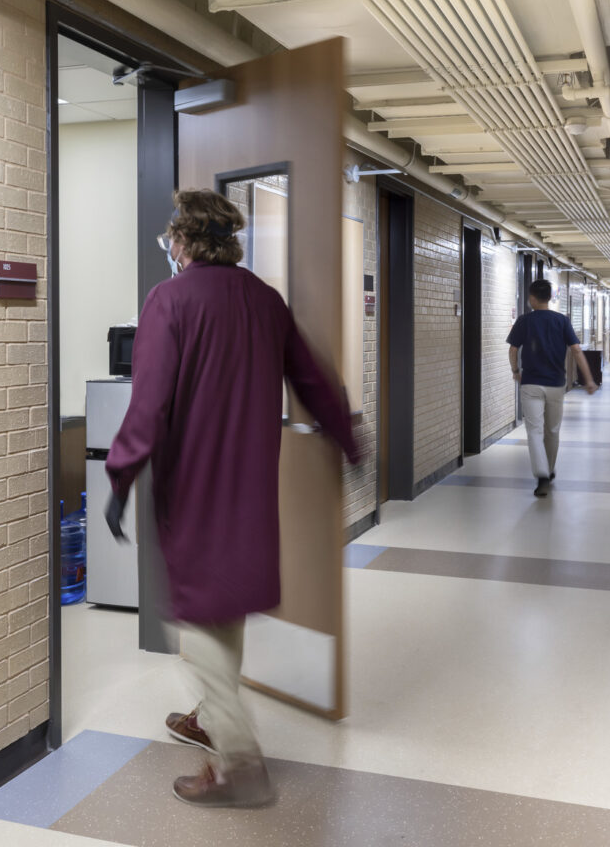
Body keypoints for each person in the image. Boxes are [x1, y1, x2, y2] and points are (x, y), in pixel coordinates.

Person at [104, 188, 359, 808]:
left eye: (172, 238)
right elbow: (312, 376)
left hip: (194, 485)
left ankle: (241, 764)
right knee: (223, 607)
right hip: (248, 485)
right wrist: (348, 438)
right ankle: (210, 717)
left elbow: (149, 402)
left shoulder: (169, 300)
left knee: (201, 613)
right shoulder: (264, 301)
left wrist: (119, 475)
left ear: (185, 241)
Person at [506, 279, 597, 497]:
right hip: (556, 384)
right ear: (549, 297)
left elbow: (513, 349)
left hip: (531, 383)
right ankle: (549, 469)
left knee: (534, 431)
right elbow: (576, 350)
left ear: (532, 298)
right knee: (552, 430)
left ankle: (542, 475)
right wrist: (588, 379)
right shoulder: (562, 321)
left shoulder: (524, 321)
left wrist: (515, 371)